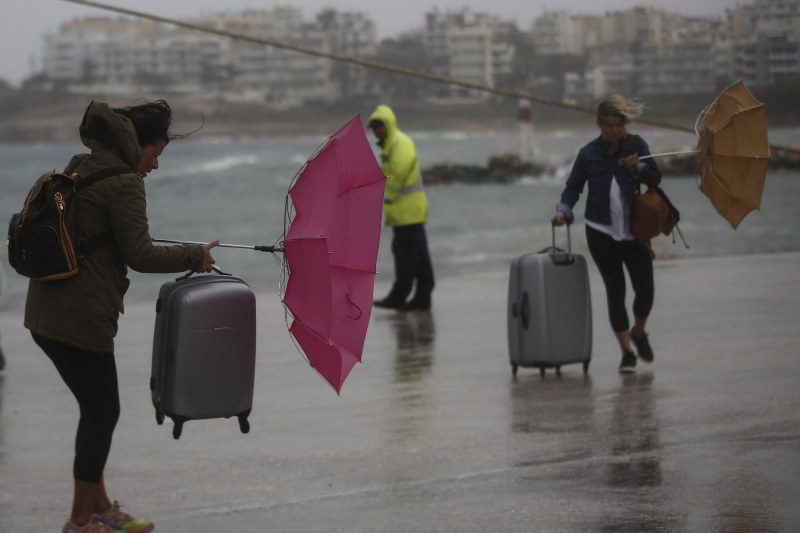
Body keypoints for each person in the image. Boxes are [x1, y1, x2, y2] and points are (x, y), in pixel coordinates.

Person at [24, 100, 219, 533]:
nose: (155, 166)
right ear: (137, 146)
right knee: (102, 412)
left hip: (44, 311)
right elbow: (142, 255)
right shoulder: (126, 182)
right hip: (79, 318)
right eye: (155, 155)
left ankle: (100, 507)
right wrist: (195, 254)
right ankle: (79, 520)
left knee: (95, 409)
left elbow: (98, 232)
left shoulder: (83, 164)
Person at [551, 95, 661, 374]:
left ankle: (639, 332)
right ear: (598, 123)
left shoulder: (637, 145)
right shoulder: (588, 153)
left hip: (635, 231)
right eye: (609, 125)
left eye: (619, 125)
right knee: (616, 291)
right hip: (600, 231)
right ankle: (626, 352)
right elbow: (573, 187)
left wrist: (637, 166)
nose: (615, 131)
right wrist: (564, 210)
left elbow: (655, 179)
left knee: (645, 290)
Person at [368, 104, 435, 311]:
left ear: (388, 124)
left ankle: (399, 296)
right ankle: (422, 298)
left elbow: (399, 171)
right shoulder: (390, 146)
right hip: (408, 213)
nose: (377, 130)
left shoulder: (399, 144)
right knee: (420, 259)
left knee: (404, 256)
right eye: (374, 127)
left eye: (380, 126)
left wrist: (386, 196)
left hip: (407, 213)